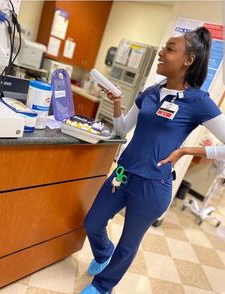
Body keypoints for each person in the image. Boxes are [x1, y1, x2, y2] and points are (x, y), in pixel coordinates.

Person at [80, 27, 225, 294]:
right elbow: (123, 130)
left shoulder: (197, 101)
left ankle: (102, 286)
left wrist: (187, 151)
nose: (161, 52)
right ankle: (103, 254)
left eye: (170, 49)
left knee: (128, 243)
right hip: (123, 174)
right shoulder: (150, 92)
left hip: (153, 185)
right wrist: (116, 102)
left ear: (188, 60)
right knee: (93, 222)